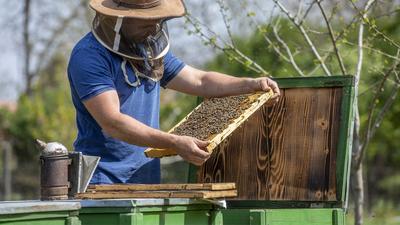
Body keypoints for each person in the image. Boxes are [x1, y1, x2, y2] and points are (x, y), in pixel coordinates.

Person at [67, 0, 280, 184]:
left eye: (157, 22)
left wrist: (250, 84)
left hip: (145, 177)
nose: (153, 29)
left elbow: (200, 81)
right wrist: (174, 142)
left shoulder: (146, 50)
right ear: (120, 19)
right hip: (101, 181)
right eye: (146, 22)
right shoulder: (89, 57)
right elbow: (113, 122)